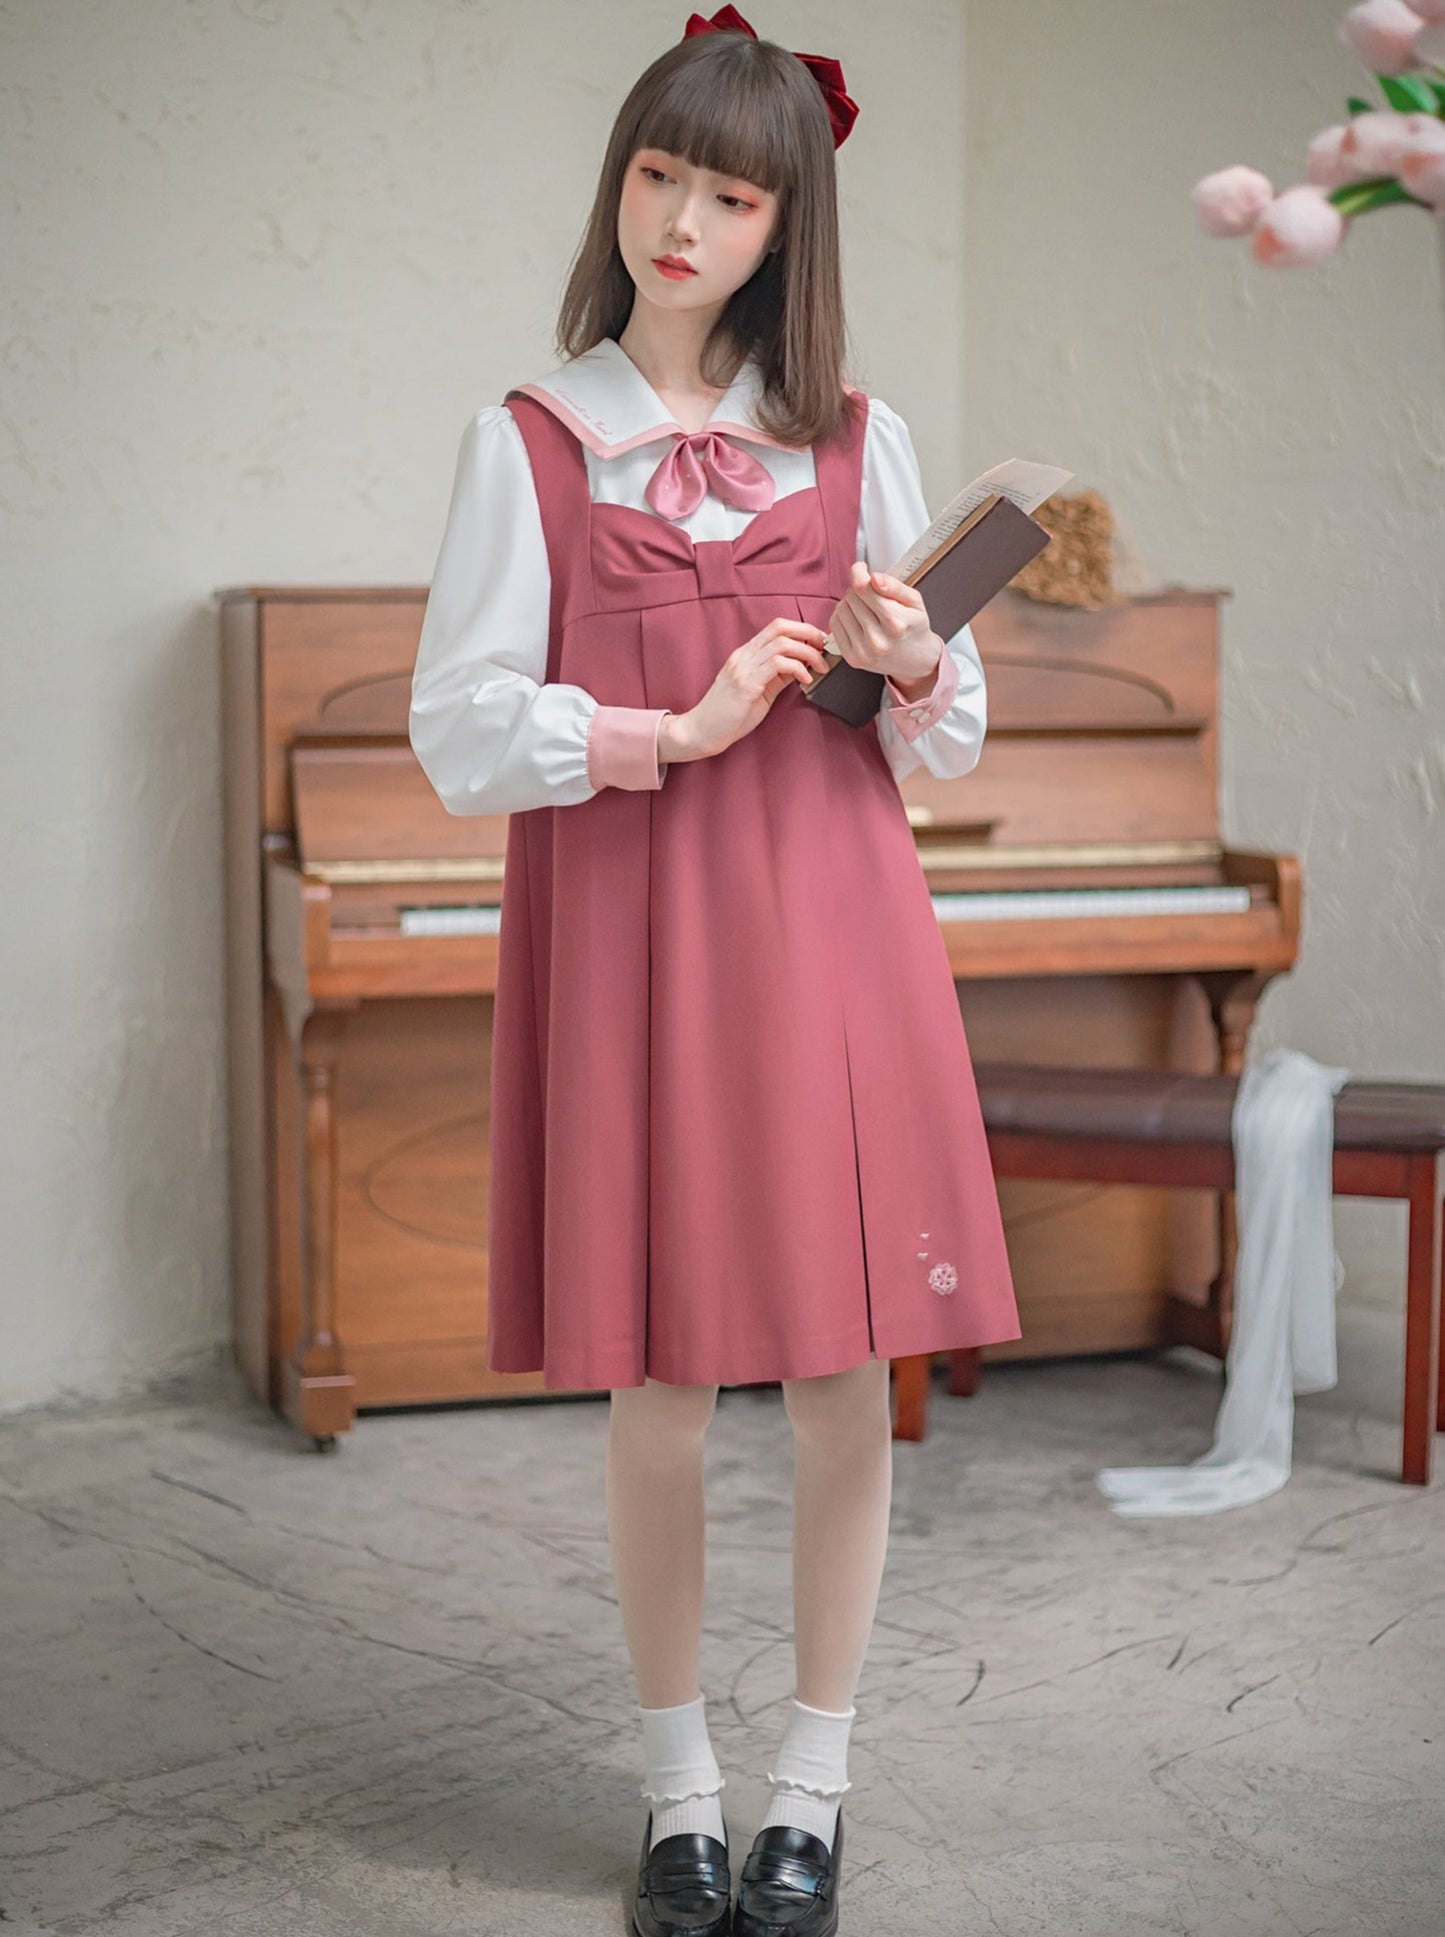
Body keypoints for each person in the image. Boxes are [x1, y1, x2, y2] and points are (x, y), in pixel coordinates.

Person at [409, 8, 1020, 1932]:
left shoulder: (853, 442)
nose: (682, 218)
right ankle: (679, 1787)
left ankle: (808, 1789)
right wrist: (663, 734)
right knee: (663, 1381)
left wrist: (913, 654)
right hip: (639, 951)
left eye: (730, 191)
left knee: (843, 1371)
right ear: (622, 183)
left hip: (833, 940)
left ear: (785, 225)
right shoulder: (530, 437)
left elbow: (946, 731)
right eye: (660, 173)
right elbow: (455, 728)